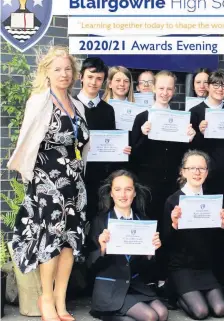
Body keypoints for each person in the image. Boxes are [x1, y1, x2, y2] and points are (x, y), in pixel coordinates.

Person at [8, 46, 90, 321]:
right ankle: (45, 299)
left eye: (68, 68)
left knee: (69, 242)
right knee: (50, 241)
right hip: (48, 182)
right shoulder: (40, 101)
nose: (64, 73)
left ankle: (60, 300)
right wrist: (29, 179)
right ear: (47, 72)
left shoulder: (77, 104)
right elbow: (27, 143)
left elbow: (82, 143)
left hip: (74, 183)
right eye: (57, 69)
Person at [88, 170, 168, 321]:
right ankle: (109, 314)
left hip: (135, 285)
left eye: (128, 189)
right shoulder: (100, 221)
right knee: (150, 316)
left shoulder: (144, 222)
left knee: (162, 313)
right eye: (117, 190)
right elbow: (90, 266)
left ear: (135, 193)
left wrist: (150, 253)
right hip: (110, 287)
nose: (123, 195)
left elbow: (148, 270)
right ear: (111, 193)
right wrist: (102, 249)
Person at [161, 150, 224, 320]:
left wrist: (222, 226)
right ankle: (175, 294)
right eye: (192, 168)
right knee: (201, 312)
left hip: (204, 267)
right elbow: (165, 241)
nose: (197, 172)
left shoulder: (211, 200)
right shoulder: (173, 200)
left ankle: (187, 294)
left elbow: (215, 242)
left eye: (201, 168)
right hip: (181, 267)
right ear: (183, 171)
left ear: (207, 172)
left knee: (220, 310)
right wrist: (174, 225)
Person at [131, 70, 196, 222]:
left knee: (169, 225)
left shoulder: (180, 119)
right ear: (153, 88)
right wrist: (143, 135)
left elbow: (182, 155)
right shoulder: (141, 118)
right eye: (161, 88)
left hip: (172, 183)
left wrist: (190, 139)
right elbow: (134, 155)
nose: (165, 93)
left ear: (174, 91)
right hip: (148, 185)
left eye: (169, 89)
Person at [74, 57, 131, 221]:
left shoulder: (108, 110)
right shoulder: (71, 105)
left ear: (104, 82)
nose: (94, 82)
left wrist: (120, 151)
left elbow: (110, 140)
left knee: (96, 220)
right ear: (81, 77)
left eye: (99, 78)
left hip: (100, 176)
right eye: (90, 77)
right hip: (76, 173)